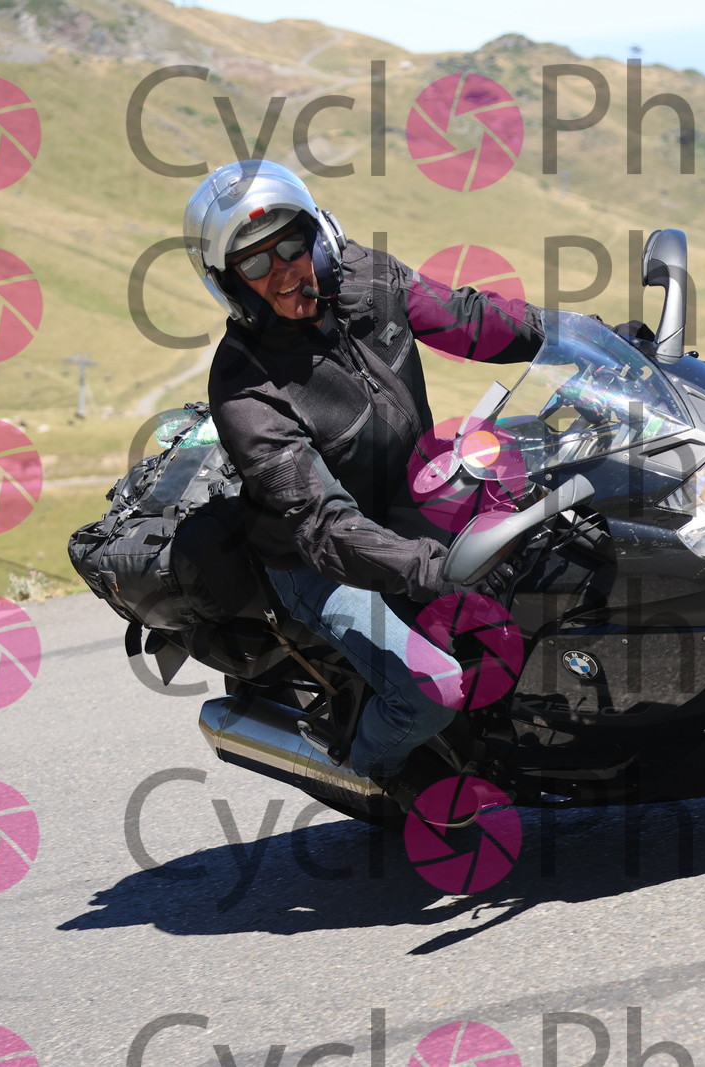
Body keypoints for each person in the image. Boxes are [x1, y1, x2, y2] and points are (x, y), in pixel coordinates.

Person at [182, 158, 543, 811]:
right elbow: (324, 528)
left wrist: (581, 337)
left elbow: (468, 318)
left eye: (290, 245)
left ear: (317, 235)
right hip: (319, 564)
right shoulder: (245, 390)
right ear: (230, 284)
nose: (282, 270)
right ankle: (378, 769)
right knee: (432, 687)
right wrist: (432, 569)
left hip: (412, 495)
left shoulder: (367, 278)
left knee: (549, 534)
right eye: (255, 263)